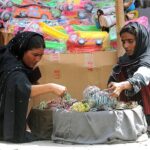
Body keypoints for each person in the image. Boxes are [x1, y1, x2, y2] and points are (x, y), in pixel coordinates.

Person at [0, 31, 67, 143]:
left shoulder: (13, 59)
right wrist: (51, 87)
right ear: (22, 50)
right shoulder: (13, 70)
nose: (37, 60)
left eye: (41, 55)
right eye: (35, 55)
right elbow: (23, 88)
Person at [107, 22, 150, 129]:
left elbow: (142, 75)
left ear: (140, 41)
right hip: (129, 118)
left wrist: (123, 85)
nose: (126, 46)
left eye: (130, 41)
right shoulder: (123, 62)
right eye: (123, 41)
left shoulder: (147, 59)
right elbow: (111, 84)